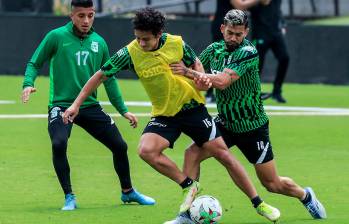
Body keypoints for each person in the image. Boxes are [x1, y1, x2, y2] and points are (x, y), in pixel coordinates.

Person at [62, 7, 280, 222]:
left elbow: (196, 62)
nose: (141, 43)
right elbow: (100, 75)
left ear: (158, 35)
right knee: (146, 150)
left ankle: (258, 203)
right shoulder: (130, 52)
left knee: (222, 154)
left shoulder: (176, 43)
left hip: (192, 108)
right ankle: (188, 186)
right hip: (165, 113)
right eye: (138, 38)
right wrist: (76, 105)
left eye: (146, 39)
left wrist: (200, 78)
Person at [170, 9, 327, 222]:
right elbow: (195, 67)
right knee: (192, 153)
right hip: (225, 123)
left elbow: (223, 82)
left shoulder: (248, 52)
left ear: (246, 32)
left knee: (272, 184)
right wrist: (184, 71)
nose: (234, 37)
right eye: (230, 32)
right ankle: (186, 214)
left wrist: (189, 73)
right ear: (222, 29)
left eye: (239, 33)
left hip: (253, 127)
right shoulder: (214, 49)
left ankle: (305, 196)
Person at [21, 0, 155, 211]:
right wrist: (28, 84)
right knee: (58, 143)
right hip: (62, 105)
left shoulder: (99, 42)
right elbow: (34, 63)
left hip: (90, 106)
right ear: (71, 15)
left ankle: (128, 192)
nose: (86, 20)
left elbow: (108, 78)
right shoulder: (56, 37)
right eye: (81, 15)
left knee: (120, 146)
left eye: (90, 15)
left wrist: (123, 110)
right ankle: (69, 197)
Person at [206, 0, 271, 103]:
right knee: (216, 60)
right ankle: (209, 94)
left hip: (236, 28)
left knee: (241, 62)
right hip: (227, 29)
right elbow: (240, 5)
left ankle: (251, 91)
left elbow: (266, 2)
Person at [249, 0, 290, 103]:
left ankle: (277, 91)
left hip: (275, 32)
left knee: (284, 58)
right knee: (257, 65)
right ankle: (252, 94)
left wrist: (282, 23)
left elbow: (277, 10)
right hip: (260, 33)